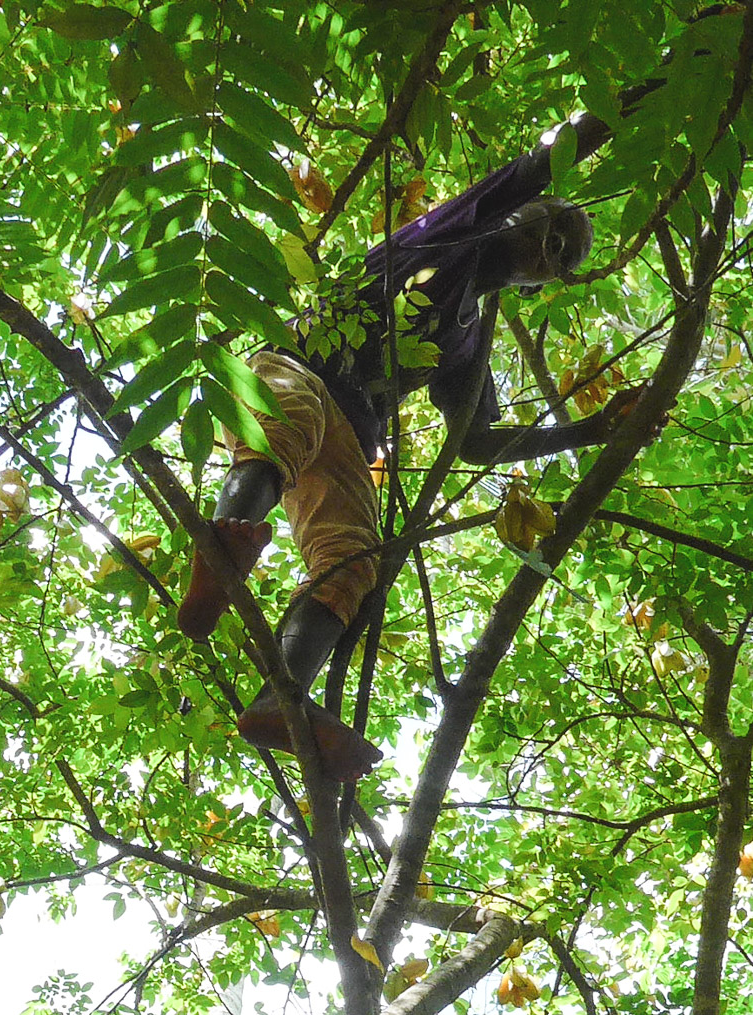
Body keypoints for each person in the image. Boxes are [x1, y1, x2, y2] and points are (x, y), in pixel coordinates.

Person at [178, 146, 633, 781]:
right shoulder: (453, 232)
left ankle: (278, 701)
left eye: (563, 255)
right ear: (518, 211)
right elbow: (538, 165)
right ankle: (221, 551)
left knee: (355, 556)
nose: (550, 247)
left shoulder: (471, 339)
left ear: (544, 284)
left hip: (352, 435)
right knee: (293, 423)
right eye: (551, 225)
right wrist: (618, 112)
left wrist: (586, 430)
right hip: (297, 366)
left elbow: (475, 440)